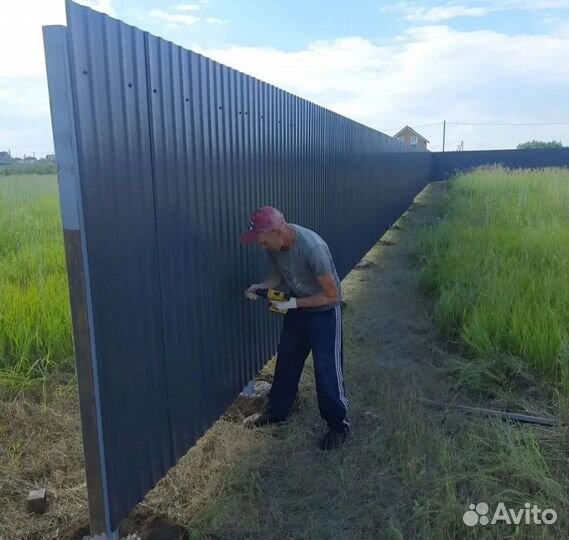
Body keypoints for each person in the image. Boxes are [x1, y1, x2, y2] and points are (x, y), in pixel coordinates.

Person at [241, 206, 350, 451]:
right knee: (287, 361)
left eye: (262, 240)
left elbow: (332, 296)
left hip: (324, 314)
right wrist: (260, 286)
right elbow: (279, 273)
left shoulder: (313, 249)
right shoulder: (275, 246)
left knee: (327, 369)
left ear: (276, 231)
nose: (261, 245)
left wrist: (292, 303)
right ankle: (276, 413)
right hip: (298, 310)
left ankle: (338, 426)